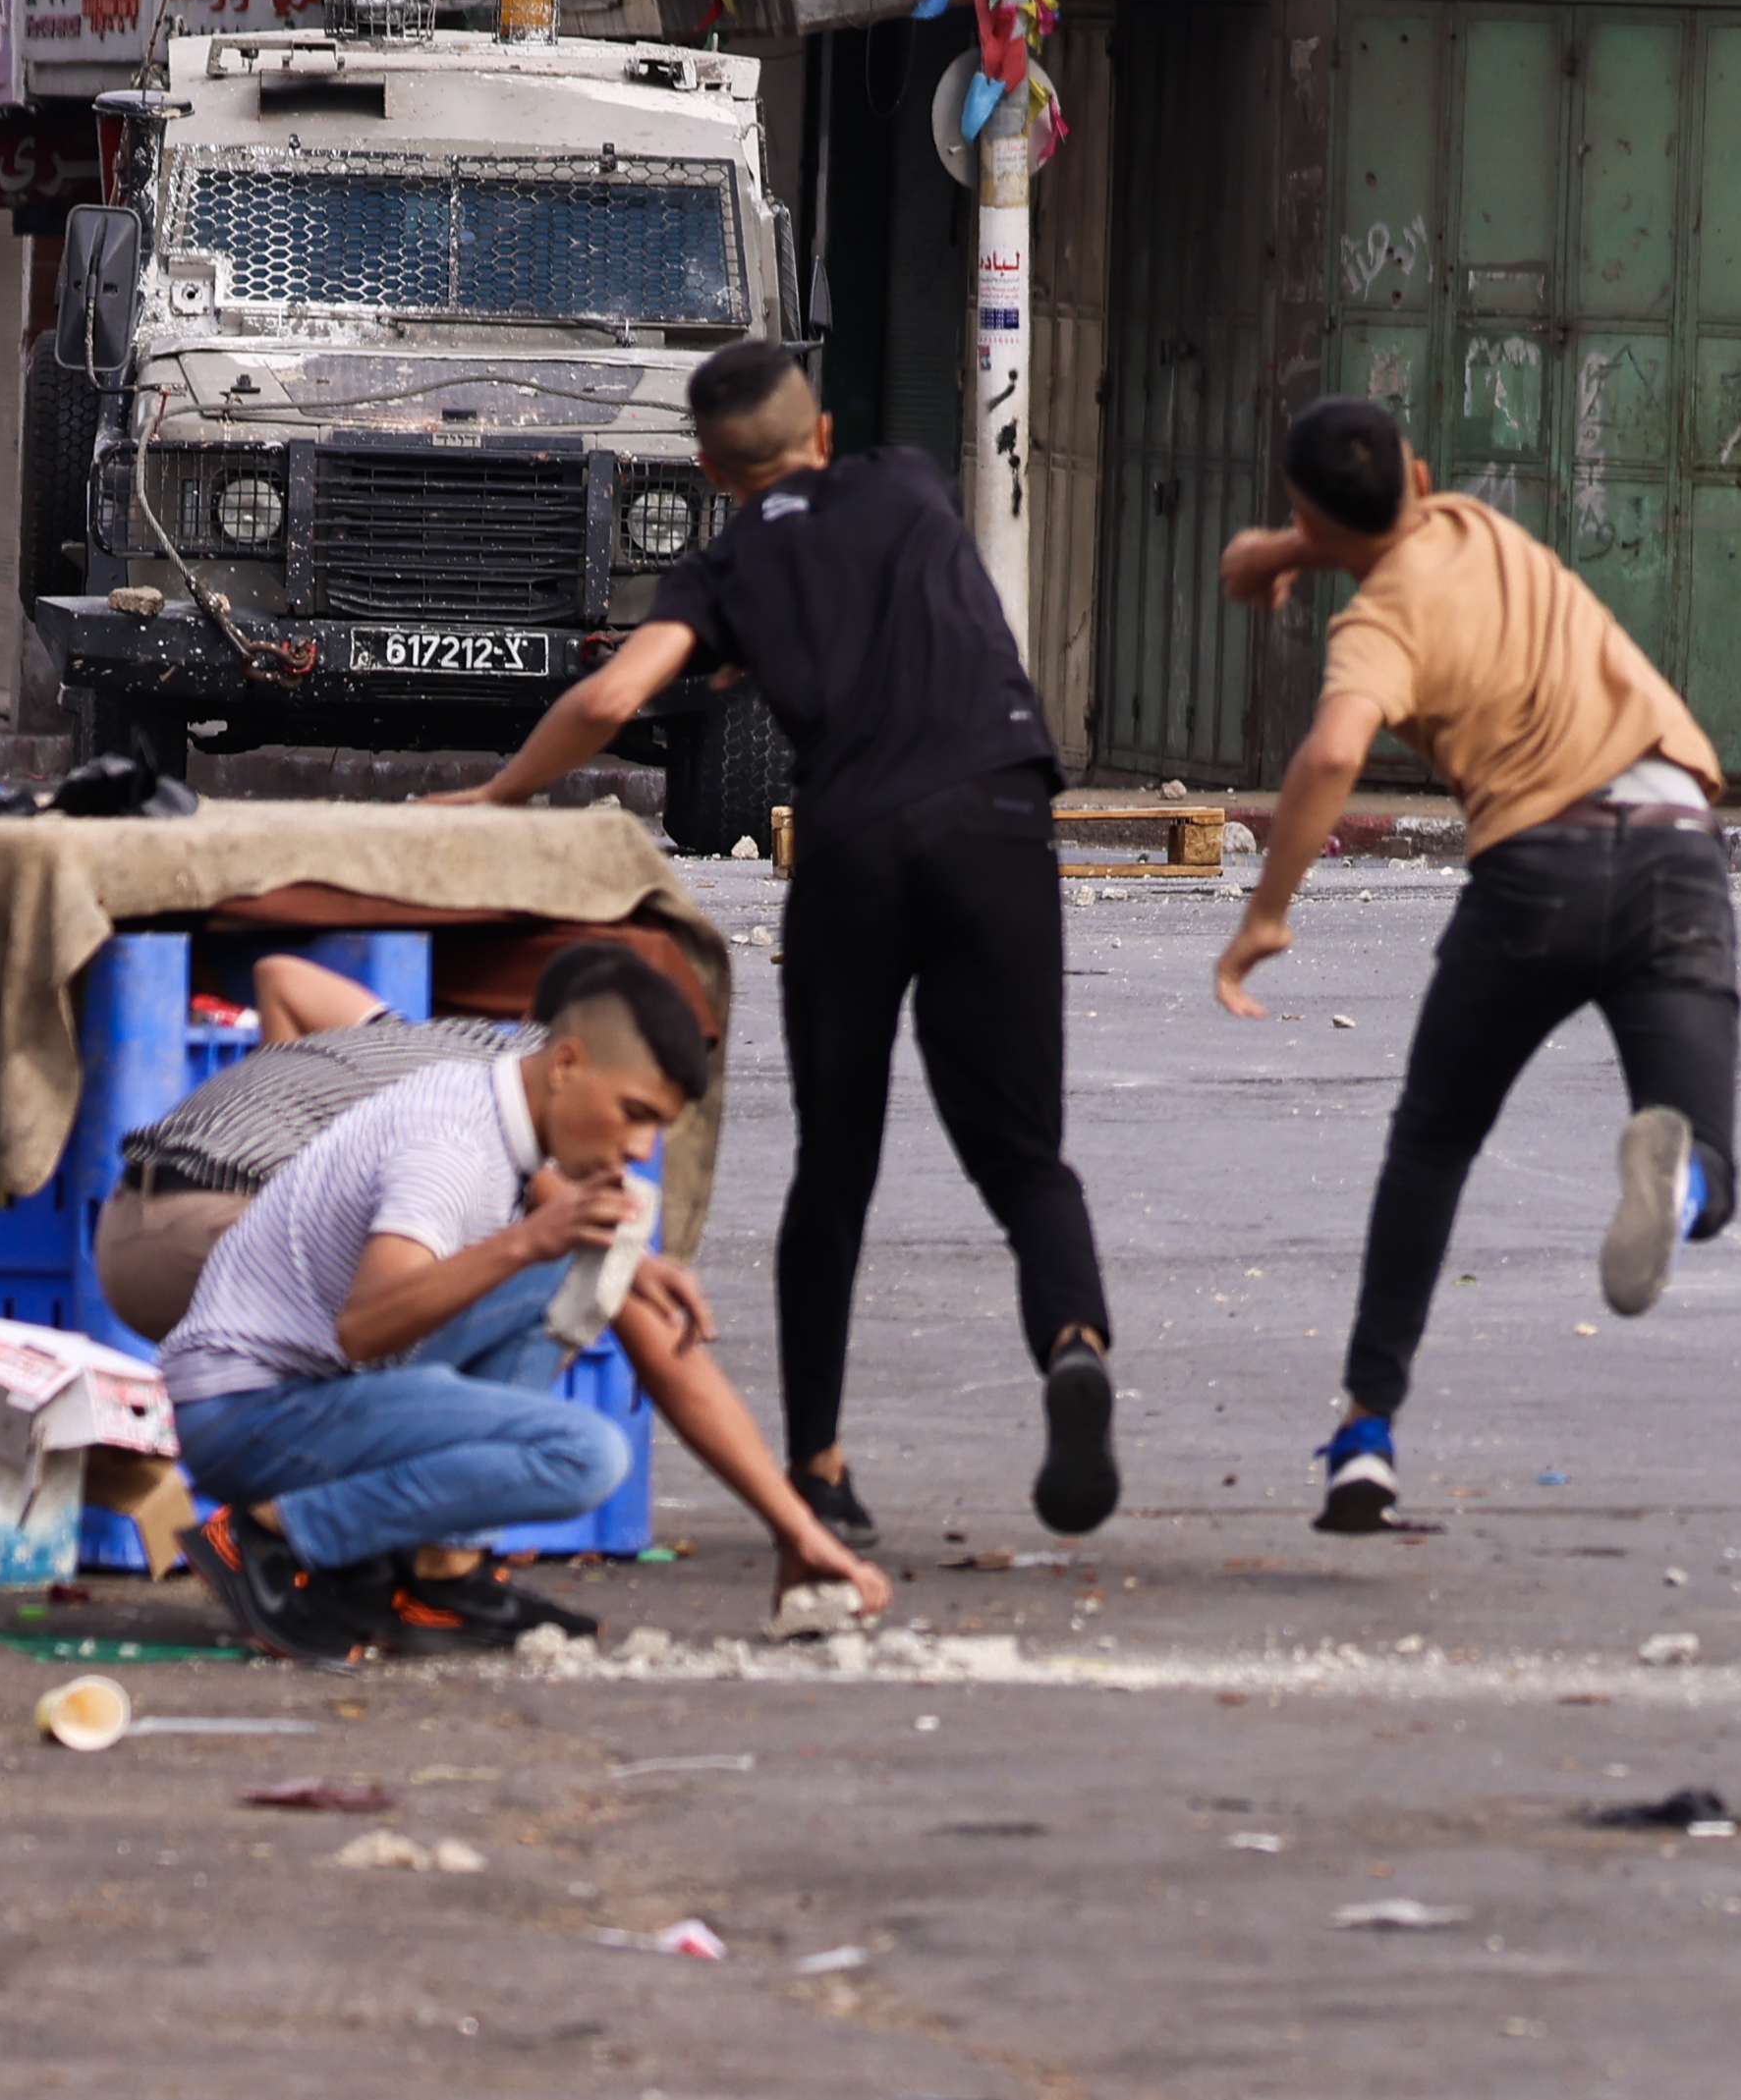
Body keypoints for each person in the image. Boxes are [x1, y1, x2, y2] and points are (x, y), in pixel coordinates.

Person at [431, 336, 1119, 1542]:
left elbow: (610, 697)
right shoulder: (908, 480)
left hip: (854, 846)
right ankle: (1072, 1345)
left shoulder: (723, 566)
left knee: (835, 1164)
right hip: (997, 816)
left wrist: (496, 794)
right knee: (1025, 1155)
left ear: (710, 468)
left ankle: (820, 1468)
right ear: (825, 433)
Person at [1210, 393, 1741, 1536]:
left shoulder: (1374, 629)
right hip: (1676, 848)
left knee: (1433, 1145)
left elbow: (1335, 748)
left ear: (1311, 514)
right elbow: (1362, 515)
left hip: (1533, 874)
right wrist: (1286, 547)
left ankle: (1365, 1439)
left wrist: (1265, 912)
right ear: (1420, 474)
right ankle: (1683, 1182)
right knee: (1705, 1151)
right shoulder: (1473, 524)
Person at [165, 944, 893, 1665]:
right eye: (633, 1113)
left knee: (573, 1275)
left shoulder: (502, 1112)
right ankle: (273, 1536)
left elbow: (672, 1356)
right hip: (248, 1412)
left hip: (296, 1392)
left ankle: (436, 1579)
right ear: (567, 1063)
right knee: (581, 1455)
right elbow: (364, 1326)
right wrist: (526, 1242)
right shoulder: (452, 1150)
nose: (640, 1149)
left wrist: (796, 1531)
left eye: (657, 1127)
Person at [94, 951, 534, 1343]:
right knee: (453, 1294)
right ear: (564, 1060)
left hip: (122, 1224)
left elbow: (280, 977)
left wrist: (292, 1143)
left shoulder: (412, 1041)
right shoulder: (512, 1094)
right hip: (216, 1228)